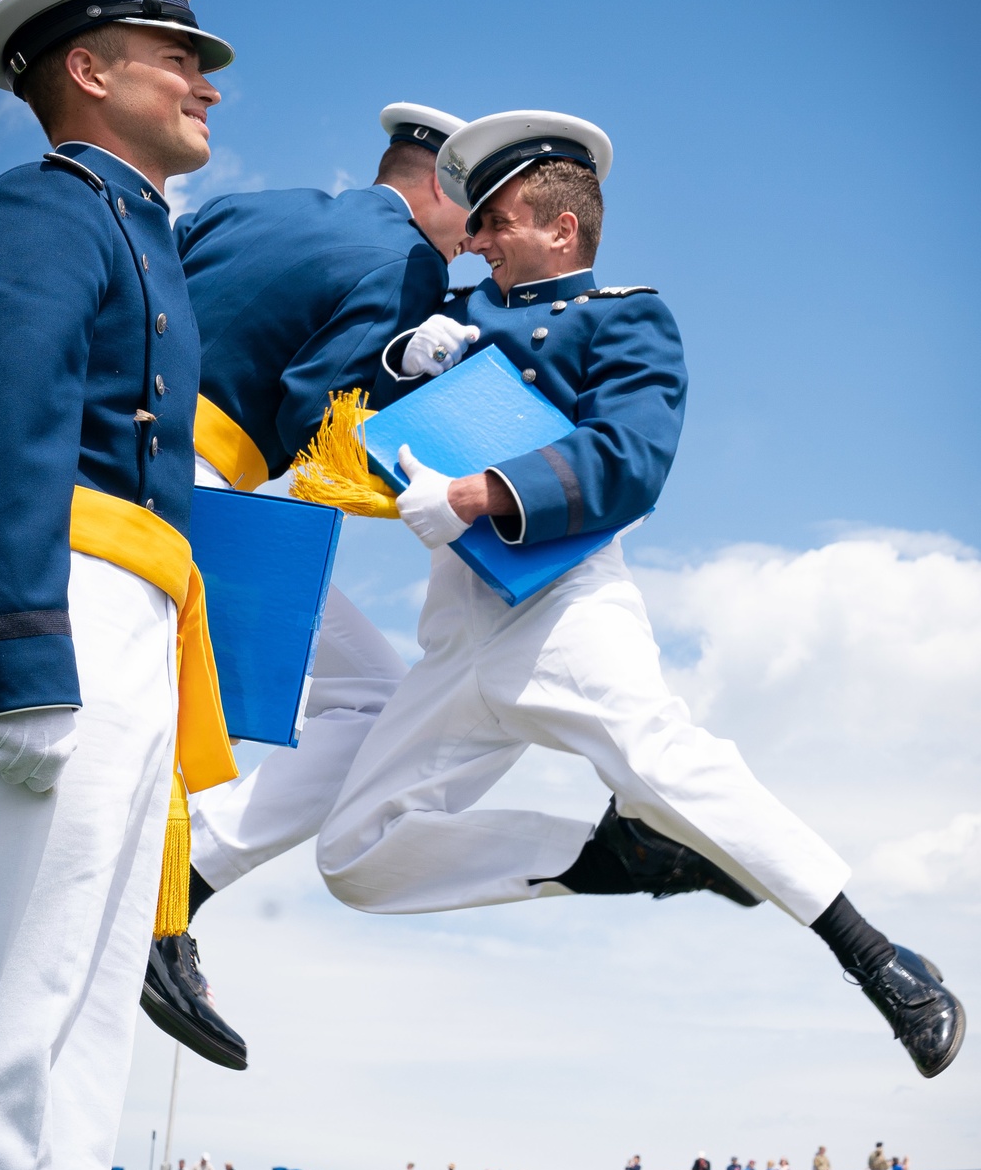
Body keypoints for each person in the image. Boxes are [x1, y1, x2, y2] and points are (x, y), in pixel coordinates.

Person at [315, 107, 965, 1082]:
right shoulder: (452, 314)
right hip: (457, 636)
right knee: (354, 858)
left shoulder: (623, 317)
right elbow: (350, 403)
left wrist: (481, 491)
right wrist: (398, 361)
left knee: (664, 763)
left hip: (563, 604)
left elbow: (629, 459)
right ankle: (613, 859)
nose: (475, 239)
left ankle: (882, 959)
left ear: (559, 230)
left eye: (493, 221)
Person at [0, 0, 237, 1170]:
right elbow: (2, 418)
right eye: (176, 56)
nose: (203, 82)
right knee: (14, 1035)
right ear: (88, 71)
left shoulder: (138, 226)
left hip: (135, 619)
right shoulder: (43, 211)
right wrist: (15, 651)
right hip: (63, 609)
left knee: (82, 1060)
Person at [143, 102, 470, 1070]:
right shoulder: (412, 265)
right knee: (371, 701)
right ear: (440, 189)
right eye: (477, 208)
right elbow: (324, 422)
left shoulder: (259, 205)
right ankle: (172, 907)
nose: (476, 242)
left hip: (109, 462)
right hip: (194, 491)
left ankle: (172, 894)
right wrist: (445, 477)